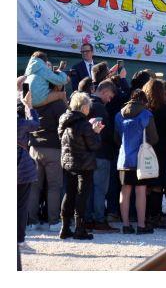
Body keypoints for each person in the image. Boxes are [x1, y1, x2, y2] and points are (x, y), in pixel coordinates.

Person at [58, 92, 104, 240]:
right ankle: (79, 229)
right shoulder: (84, 124)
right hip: (84, 164)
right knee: (82, 196)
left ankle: (64, 228)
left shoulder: (64, 121)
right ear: (84, 107)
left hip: (68, 163)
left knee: (69, 194)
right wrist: (96, 132)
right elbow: (94, 145)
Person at [26, 78, 68, 231]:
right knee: (54, 187)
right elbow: (65, 124)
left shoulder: (36, 102)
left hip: (34, 148)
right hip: (53, 149)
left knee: (34, 187)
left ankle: (31, 221)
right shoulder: (58, 104)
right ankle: (54, 222)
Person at [114, 89, 158, 234]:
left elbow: (116, 138)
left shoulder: (119, 115)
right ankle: (141, 225)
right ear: (144, 101)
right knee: (140, 191)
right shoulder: (146, 114)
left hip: (123, 159)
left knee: (125, 190)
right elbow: (153, 138)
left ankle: (126, 225)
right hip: (140, 158)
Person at [85, 80, 117, 231]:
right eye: (109, 96)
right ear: (104, 91)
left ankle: (88, 218)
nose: (109, 100)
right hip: (102, 153)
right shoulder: (100, 108)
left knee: (89, 188)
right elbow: (104, 133)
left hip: (88, 154)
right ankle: (99, 219)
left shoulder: (86, 104)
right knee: (99, 189)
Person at [143, 79, 166, 229]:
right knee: (158, 185)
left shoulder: (145, 109)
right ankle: (155, 215)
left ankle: (146, 215)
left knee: (147, 184)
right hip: (163, 149)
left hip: (146, 149)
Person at [18, 97, 39, 251]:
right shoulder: (20, 123)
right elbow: (35, 124)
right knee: (20, 206)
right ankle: (19, 241)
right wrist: (29, 106)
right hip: (22, 169)